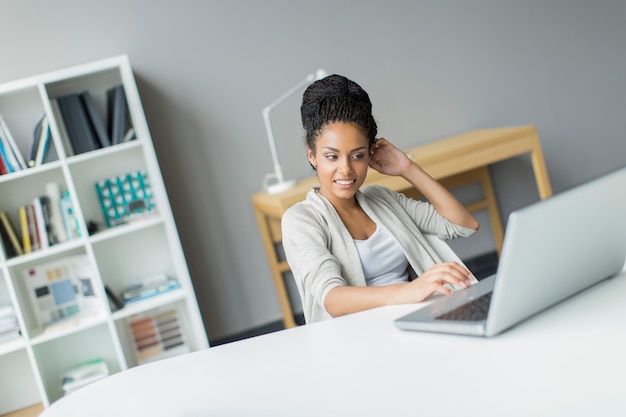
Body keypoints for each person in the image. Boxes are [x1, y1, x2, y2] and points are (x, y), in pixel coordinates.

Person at [281, 74, 480, 324]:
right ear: (312, 155)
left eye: (357, 156)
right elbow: (332, 299)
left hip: (417, 318)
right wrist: (409, 291)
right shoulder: (301, 220)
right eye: (332, 157)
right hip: (359, 338)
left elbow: (463, 225)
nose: (346, 169)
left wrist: (408, 168)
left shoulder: (381, 199)